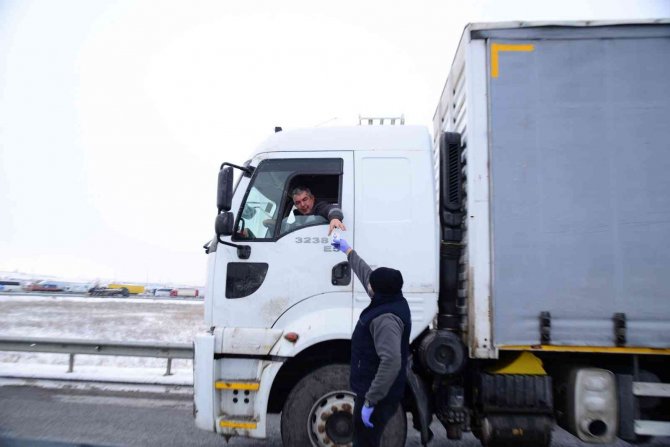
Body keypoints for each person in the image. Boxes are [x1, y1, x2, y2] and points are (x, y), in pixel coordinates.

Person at [332, 237, 411, 447]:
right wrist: (347, 251)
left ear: (378, 290)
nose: (368, 285)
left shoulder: (386, 319)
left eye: (371, 285)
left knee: (365, 443)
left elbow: (392, 361)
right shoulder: (390, 298)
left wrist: (371, 400)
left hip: (377, 396)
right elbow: (366, 273)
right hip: (374, 391)